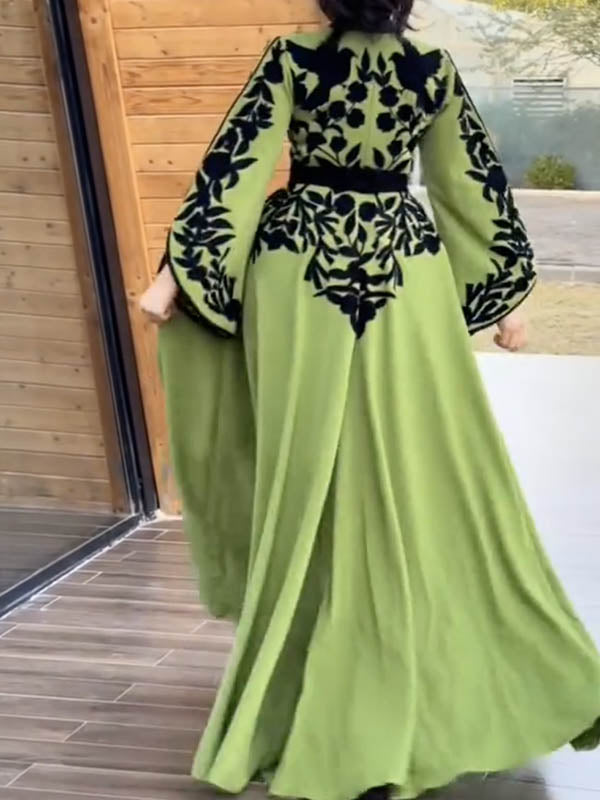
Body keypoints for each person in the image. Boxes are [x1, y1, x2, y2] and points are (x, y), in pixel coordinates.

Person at [140, 1, 600, 798]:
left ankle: (319, 700)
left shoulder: (294, 58)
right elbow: (470, 185)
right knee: (421, 473)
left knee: (311, 478)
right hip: (402, 275)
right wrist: (508, 298)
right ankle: (393, 690)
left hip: (300, 273)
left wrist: (175, 277)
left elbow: (235, 170)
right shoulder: (429, 70)